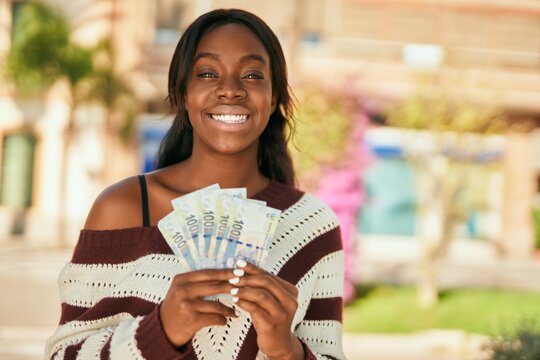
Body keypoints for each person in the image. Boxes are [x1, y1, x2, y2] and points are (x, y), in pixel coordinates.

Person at [46, 8, 345, 360]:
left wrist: (288, 350)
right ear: (182, 93)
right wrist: (161, 330)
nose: (231, 90)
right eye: (207, 73)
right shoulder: (123, 206)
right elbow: (64, 354)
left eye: (252, 75)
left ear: (274, 96)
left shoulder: (312, 227)